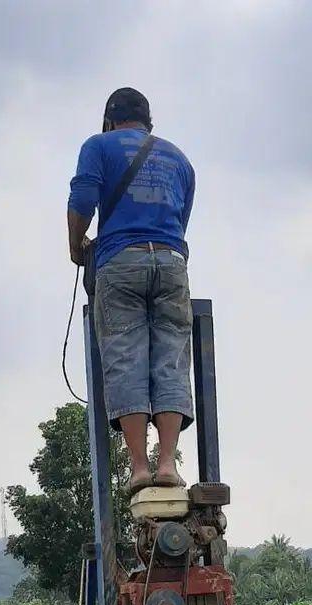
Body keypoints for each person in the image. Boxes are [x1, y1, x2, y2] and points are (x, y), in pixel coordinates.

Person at [67, 87, 197, 496]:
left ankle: (139, 468)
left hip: (120, 261)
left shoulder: (98, 145)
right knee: (172, 360)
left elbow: (83, 198)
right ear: (148, 123)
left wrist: (76, 245)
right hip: (173, 263)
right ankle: (167, 466)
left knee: (126, 360)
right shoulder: (179, 159)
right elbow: (181, 219)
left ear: (109, 120)